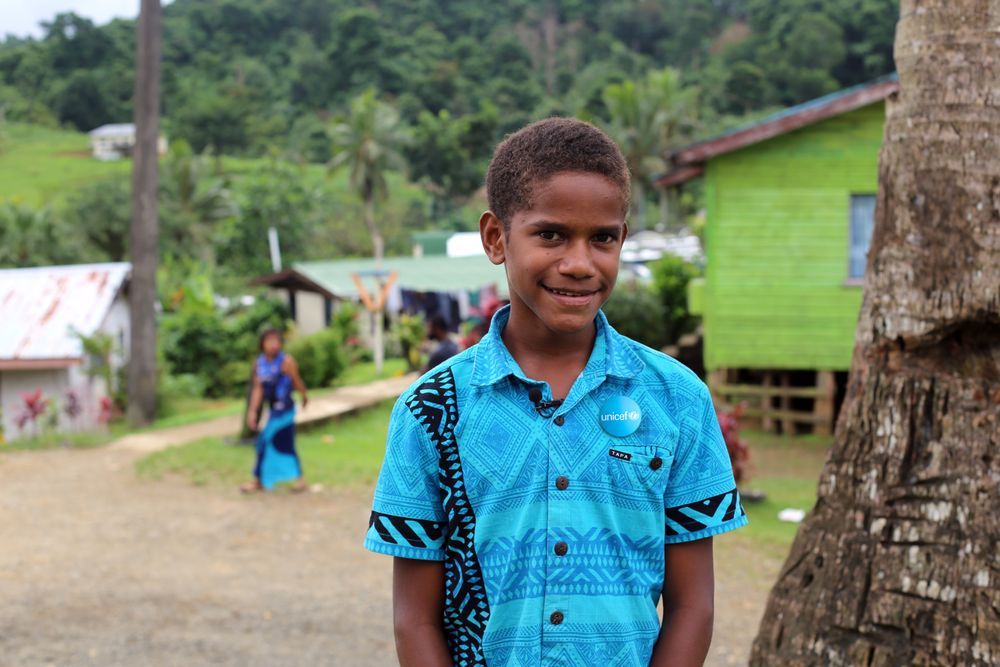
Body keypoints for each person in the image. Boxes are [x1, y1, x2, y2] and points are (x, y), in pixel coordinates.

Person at [364, 118, 746, 666]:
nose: (579, 264)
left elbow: (693, 607)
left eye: (603, 238)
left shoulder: (678, 399)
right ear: (496, 238)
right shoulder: (432, 410)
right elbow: (414, 620)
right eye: (550, 235)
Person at [242, 329, 309, 493]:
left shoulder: (286, 361)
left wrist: (304, 396)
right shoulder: (259, 363)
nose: (273, 344)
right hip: (273, 411)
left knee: (267, 441)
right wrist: (252, 412)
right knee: (278, 443)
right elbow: (258, 389)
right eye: (269, 340)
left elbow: (296, 380)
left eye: (276, 340)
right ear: (262, 343)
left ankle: (261, 480)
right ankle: (290, 480)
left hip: (286, 410)